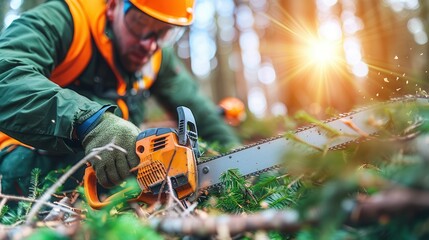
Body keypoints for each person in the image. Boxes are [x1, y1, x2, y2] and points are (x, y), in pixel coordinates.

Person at [0, 0, 240, 196]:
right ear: (113, 6)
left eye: (164, 31)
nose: (149, 44)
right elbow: (6, 74)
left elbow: (201, 111)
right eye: (140, 23)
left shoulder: (155, 56)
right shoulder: (66, 20)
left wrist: (235, 158)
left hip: (101, 168)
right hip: (15, 154)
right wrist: (90, 122)